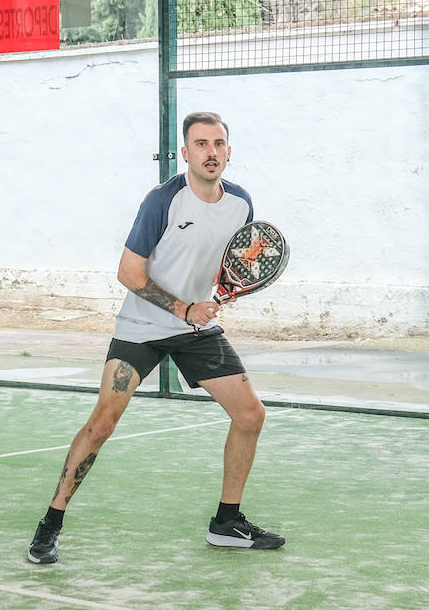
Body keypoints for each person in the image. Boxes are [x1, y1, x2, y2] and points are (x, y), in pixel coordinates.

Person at [26, 111, 284, 566]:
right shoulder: (163, 200)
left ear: (229, 151)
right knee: (103, 422)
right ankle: (50, 523)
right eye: (201, 144)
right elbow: (128, 272)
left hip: (195, 331)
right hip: (142, 329)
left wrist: (216, 296)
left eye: (219, 143)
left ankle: (227, 523)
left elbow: (237, 260)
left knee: (250, 415)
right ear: (185, 153)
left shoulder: (241, 204)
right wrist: (183, 307)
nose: (211, 152)